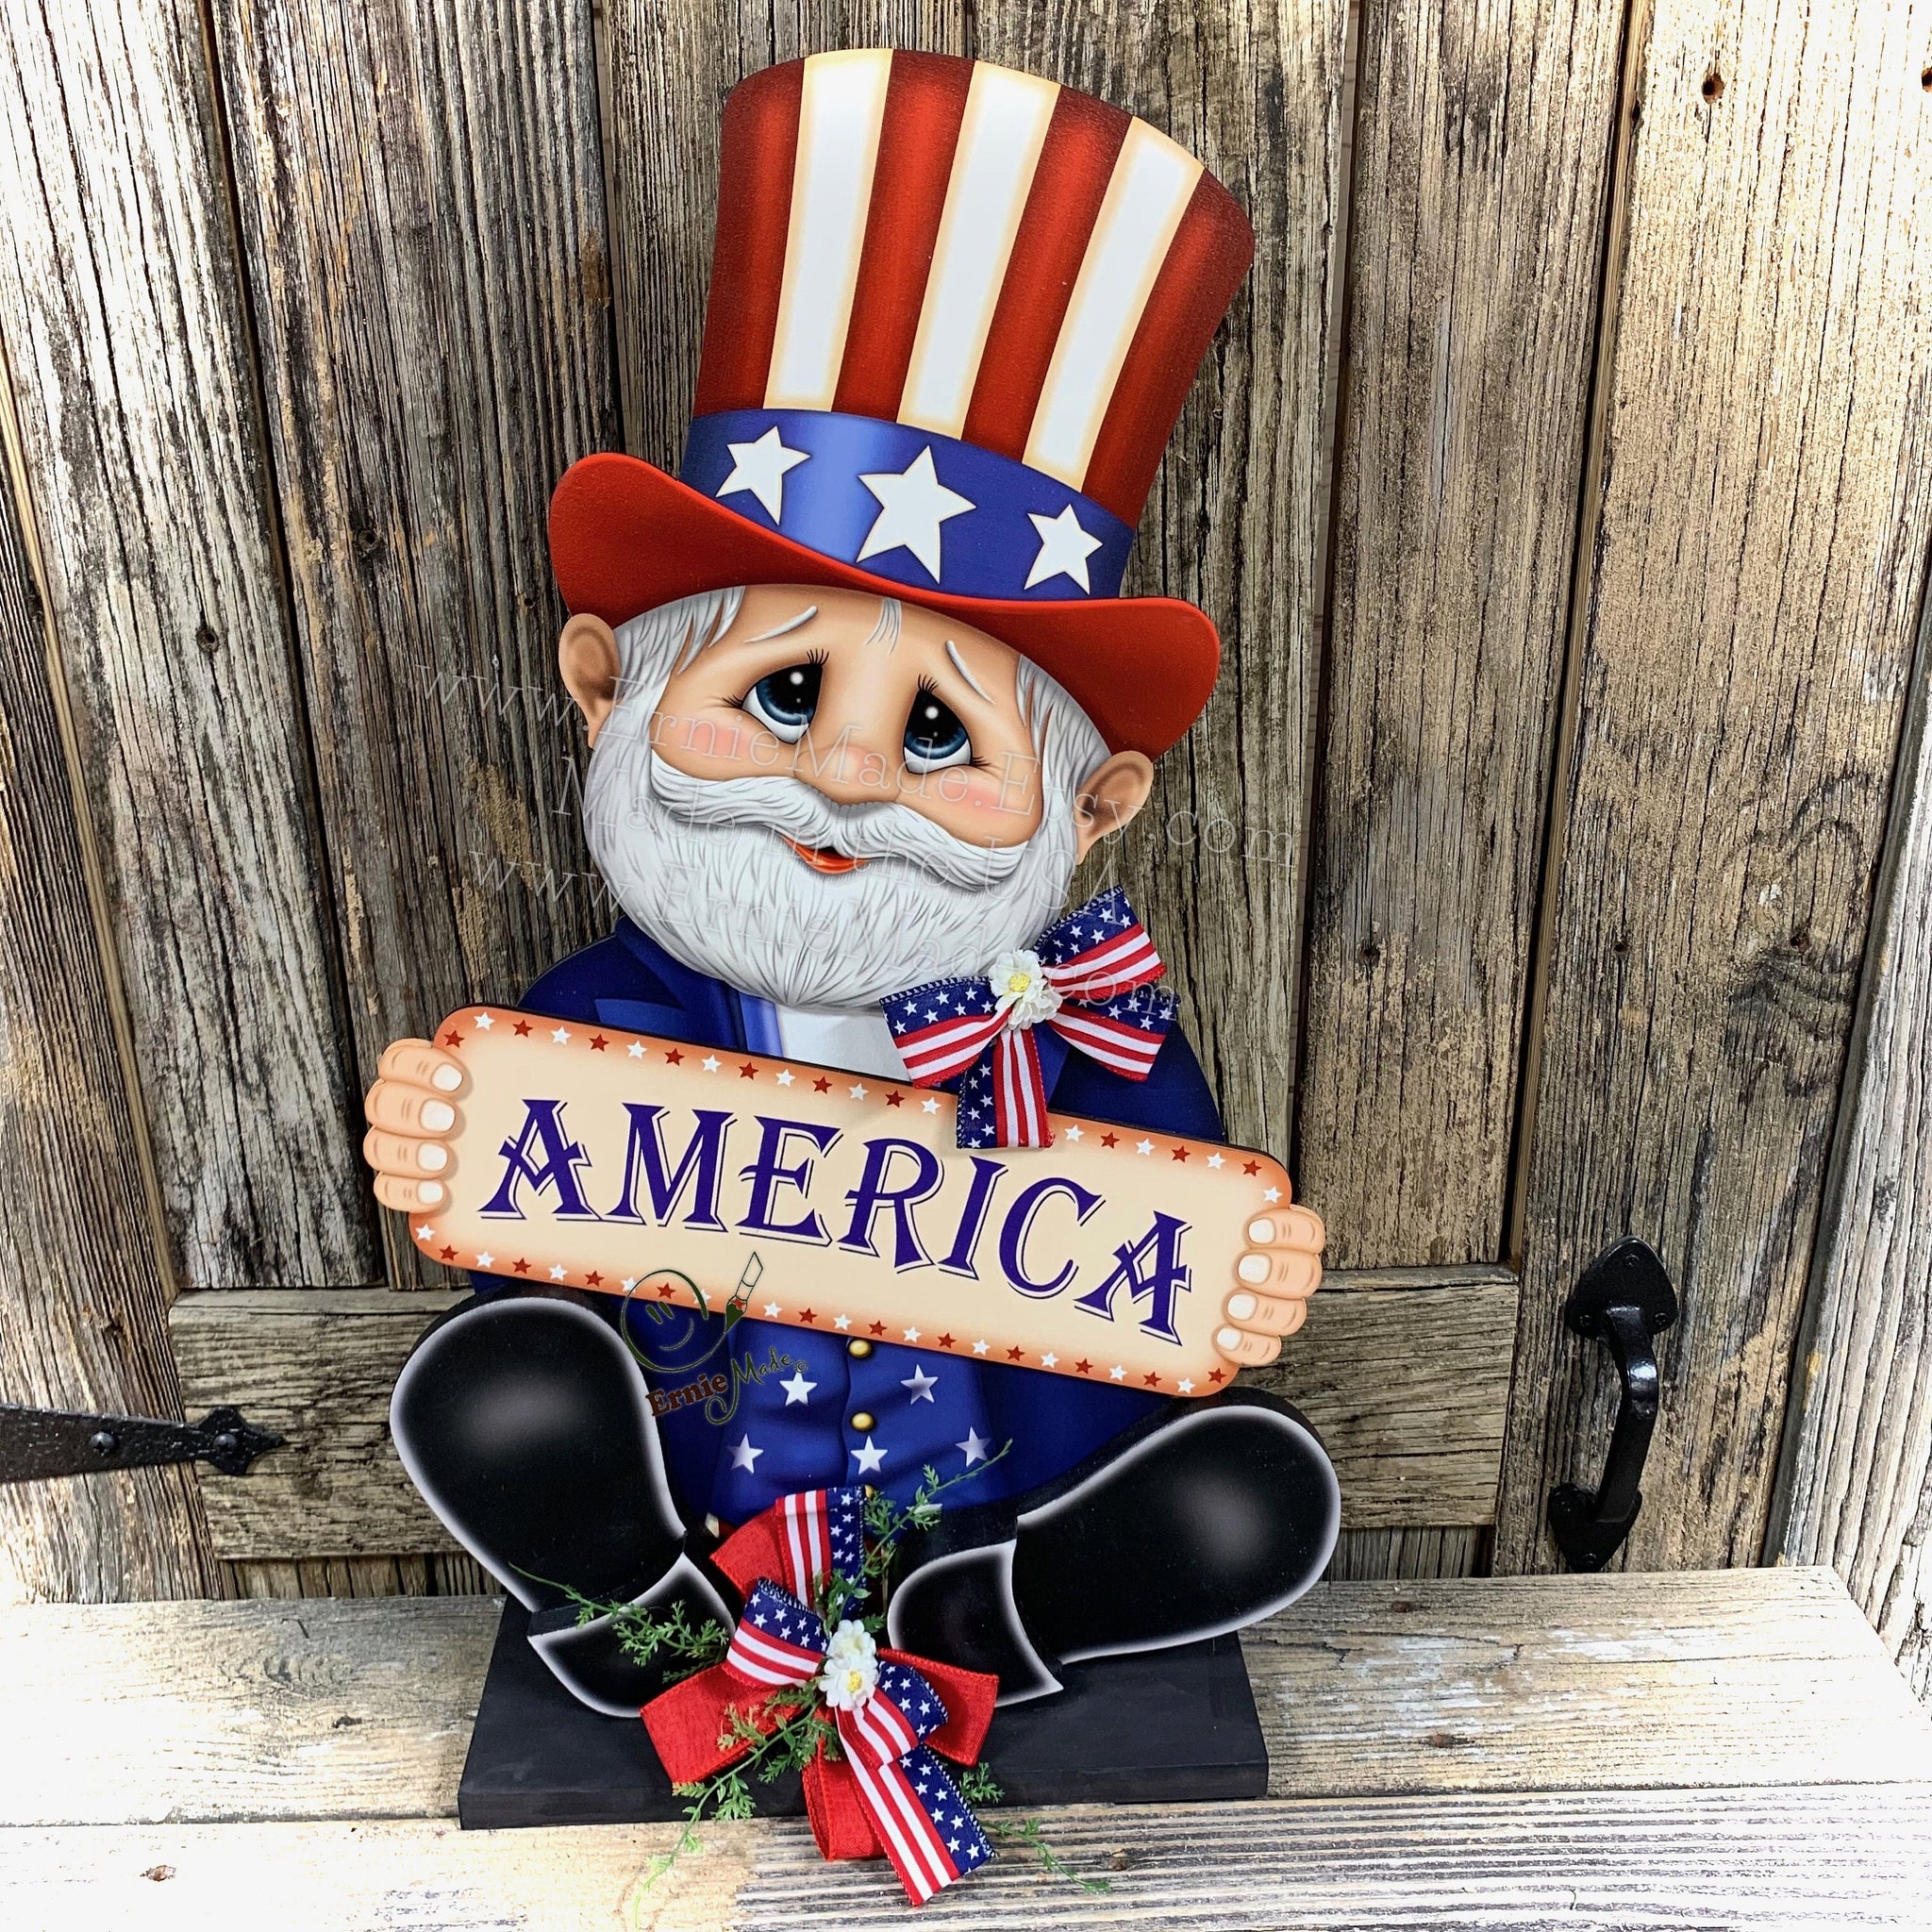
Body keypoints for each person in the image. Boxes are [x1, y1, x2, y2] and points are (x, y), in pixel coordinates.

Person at [362, 50, 1340, 1716]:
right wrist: (446, 1140)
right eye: (786, 692)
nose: (846, 770)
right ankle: (652, 1616)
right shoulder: (595, 1024)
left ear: (1092, 811)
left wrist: (1240, 1273)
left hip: (988, 1505)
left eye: (939, 731)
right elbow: (533, 1228)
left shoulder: (1079, 1037)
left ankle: (996, 1619)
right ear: (606, 692)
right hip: (705, 1505)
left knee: (1243, 1500)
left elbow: (1168, 1228)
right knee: (505, 1395)